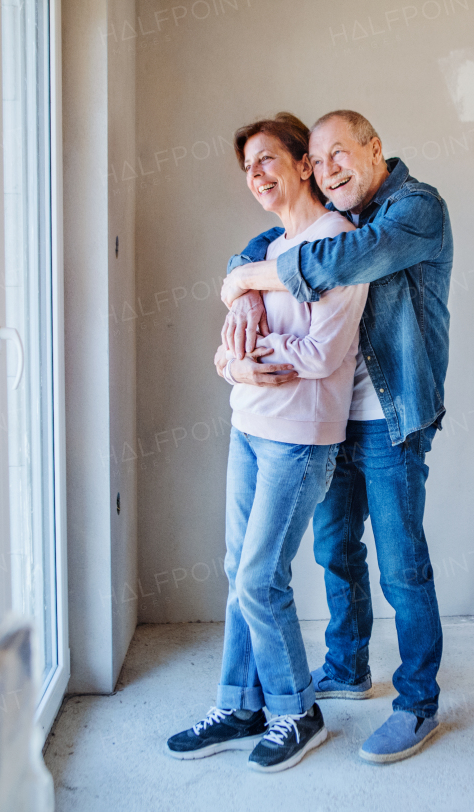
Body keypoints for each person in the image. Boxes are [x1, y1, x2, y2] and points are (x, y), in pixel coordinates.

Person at [217, 110, 453, 764]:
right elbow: (266, 244)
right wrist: (242, 290)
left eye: (339, 155)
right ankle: (347, 665)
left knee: (402, 565)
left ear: (376, 148)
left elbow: (338, 258)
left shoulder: (414, 210)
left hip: (392, 413)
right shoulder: (329, 213)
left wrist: (248, 282)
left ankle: (417, 703)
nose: (328, 171)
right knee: (334, 548)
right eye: (317, 163)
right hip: (331, 419)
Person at [166, 113, 366, 773]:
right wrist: (233, 363)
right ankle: (240, 703)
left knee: (261, 576)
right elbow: (228, 344)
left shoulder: (337, 244)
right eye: (247, 168)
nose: (255, 176)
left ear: (304, 164)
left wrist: (251, 353)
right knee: (238, 572)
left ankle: (297, 712)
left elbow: (322, 352)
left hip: (300, 436)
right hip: (248, 426)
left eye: (267, 160)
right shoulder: (266, 250)